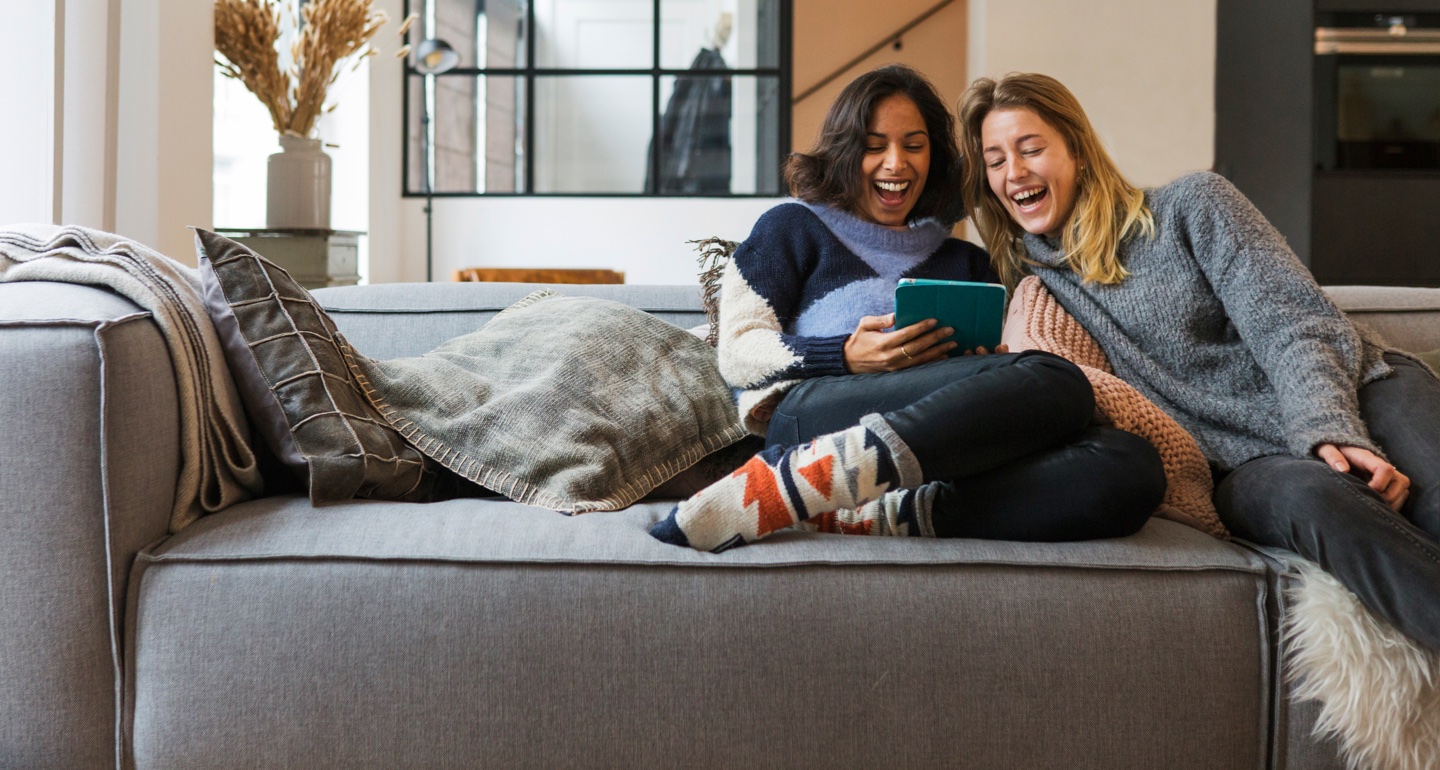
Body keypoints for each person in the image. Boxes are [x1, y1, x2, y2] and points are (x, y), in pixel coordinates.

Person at [957, 71, 1440, 650]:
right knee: (1309, 500)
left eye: (1031, 149)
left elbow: (1289, 321)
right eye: (995, 160)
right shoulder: (1034, 294)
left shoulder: (1192, 205)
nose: (1014, 172)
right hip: (1243, 469)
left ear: (1078, 152)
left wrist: (1330, 428)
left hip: (1356, 387)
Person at [648, 64, 1166, 553]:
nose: (896, 164)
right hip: (813, 419)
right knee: (1060, 382)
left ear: (934, 158)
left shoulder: (969, 262)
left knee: (1131, 470)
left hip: (941, 446)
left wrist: (986, 367)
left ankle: (863, 511)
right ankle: (797, 477)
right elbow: (739, 353)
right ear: (844, 152)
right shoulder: (791, 228)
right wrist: (847, 355)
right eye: (874, 147)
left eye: (913, 146)